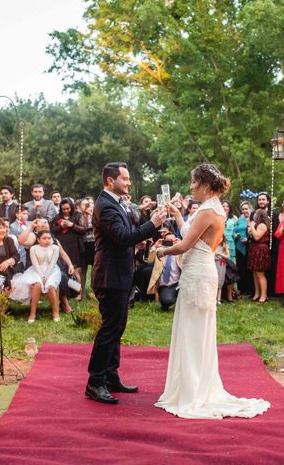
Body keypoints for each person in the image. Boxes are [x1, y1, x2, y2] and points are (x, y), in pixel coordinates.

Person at [154, 163, 269, 419]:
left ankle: (194, 392)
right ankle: (189, 387)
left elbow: (184, 245)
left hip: (198, 273)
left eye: (194, 182)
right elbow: (191, 234)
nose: (191, 187)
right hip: (199, 268)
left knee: (194, 331)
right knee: (192, 329)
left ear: (205, 183)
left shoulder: (208, 211)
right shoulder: (211, 208)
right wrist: (179, 213)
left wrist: (161, 251)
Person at [85, 162, 167, 405]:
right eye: (125, 178)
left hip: (120, 273)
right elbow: (121, 238)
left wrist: (139, 242)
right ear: (111, 181)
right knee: (110, 329)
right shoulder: (106, 204)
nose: (129, 182)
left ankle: (110, 376)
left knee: (117, 327)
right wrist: (152, 224)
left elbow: (123, 237)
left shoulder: (115, 202)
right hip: (110, 276)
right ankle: (95, 381)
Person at [18, 230, 74, 323]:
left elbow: (52, 263)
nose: (47, 240)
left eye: (49, 238)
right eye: (44, 238)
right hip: (37, 270)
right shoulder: (33, 248)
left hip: (52, 270)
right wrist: (41, 276)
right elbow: (35, 264)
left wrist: (47, 276)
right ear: (39, 240)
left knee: (51, 286)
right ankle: (33, 313)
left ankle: (55, 313)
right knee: (37, 285)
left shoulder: (55, 248)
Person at [147, 232, 182, 311]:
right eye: (168, 241)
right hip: (165, 285)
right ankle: (165, 300)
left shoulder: (180, 252)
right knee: (167, 301)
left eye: (172, 240)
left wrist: (181, 244)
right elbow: (149, 260)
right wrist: (155, 246)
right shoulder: (159, 251)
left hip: (178, 283)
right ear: (164, 241)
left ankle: (176, 298)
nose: (170, 242)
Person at [247, 209, 271, 302]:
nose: (254, 216)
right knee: (255, 273)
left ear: (259, 215)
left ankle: (264, 295)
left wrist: (252, 226)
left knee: (260, 274)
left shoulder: (262, 225)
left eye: (255, 214)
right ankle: (257, 293)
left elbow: (257, 237)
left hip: (260, 250)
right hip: (254, 249)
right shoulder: (257, 224)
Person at [234, 201, 253, 297]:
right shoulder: (239, 220)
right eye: (243, 209)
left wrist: (248, 239)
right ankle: (242, 289)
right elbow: (234, 230)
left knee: (248, 268)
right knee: (240, 268)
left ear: (250, 209)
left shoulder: (253, 219)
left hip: (249, 246)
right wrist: (235, 235)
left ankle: (250, 289)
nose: (245, 211)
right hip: (239, 246)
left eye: (246, 209)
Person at [214, 234, 230, 303]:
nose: (219, 239)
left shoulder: (224, 246)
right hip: (214, 263)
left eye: (220, 238)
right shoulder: (213, 246)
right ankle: (214, 299)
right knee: (214, 281)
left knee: (220, 281)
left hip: (221, 265)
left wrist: (220, 254)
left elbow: (227, 256)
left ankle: (218, 299)